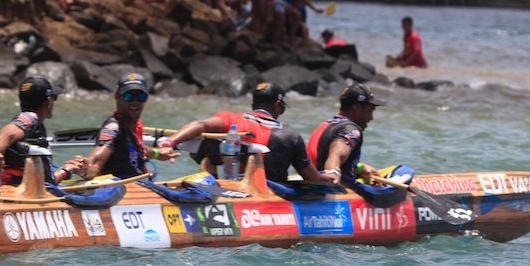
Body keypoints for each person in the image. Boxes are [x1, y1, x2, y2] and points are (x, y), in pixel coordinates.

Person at [167, 82, 333, 184]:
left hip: (229, 187)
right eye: (282, 107)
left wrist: (170, 142)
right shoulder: (290, 136)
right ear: (277, 105)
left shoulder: (230, 119)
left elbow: (199, 124)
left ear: (253, 103)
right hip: (267, 198)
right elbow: (312, 179)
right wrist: (330, 177)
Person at [0, 76, 88, 186]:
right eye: (54, 98)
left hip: (23, 187)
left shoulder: (31, 124)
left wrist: (67, 170)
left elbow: (44, 182)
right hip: (23, 194)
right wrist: (67, 170)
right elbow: (6, 135)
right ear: (49, 101)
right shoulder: (30, 118)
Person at [82, 73, 177, 180]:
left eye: (141, 97)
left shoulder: (135, 125)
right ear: (117, 97)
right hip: (120, 187)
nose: (135, 102)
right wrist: (87, 169)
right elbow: (96, 161)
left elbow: (137, 148)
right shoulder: (112, 128)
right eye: (128, 96)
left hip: (140, 182)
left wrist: (157, 153)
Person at [308, 83, 386, 184]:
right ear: (356, 108)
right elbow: (337, 154)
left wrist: (359, 168)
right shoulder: (351, 130)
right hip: (334, 188)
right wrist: (332, 172)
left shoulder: (326, 124)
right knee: (403, 171)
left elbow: (323, 158)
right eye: (370, 111)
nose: (371, 118)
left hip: (312, 181)